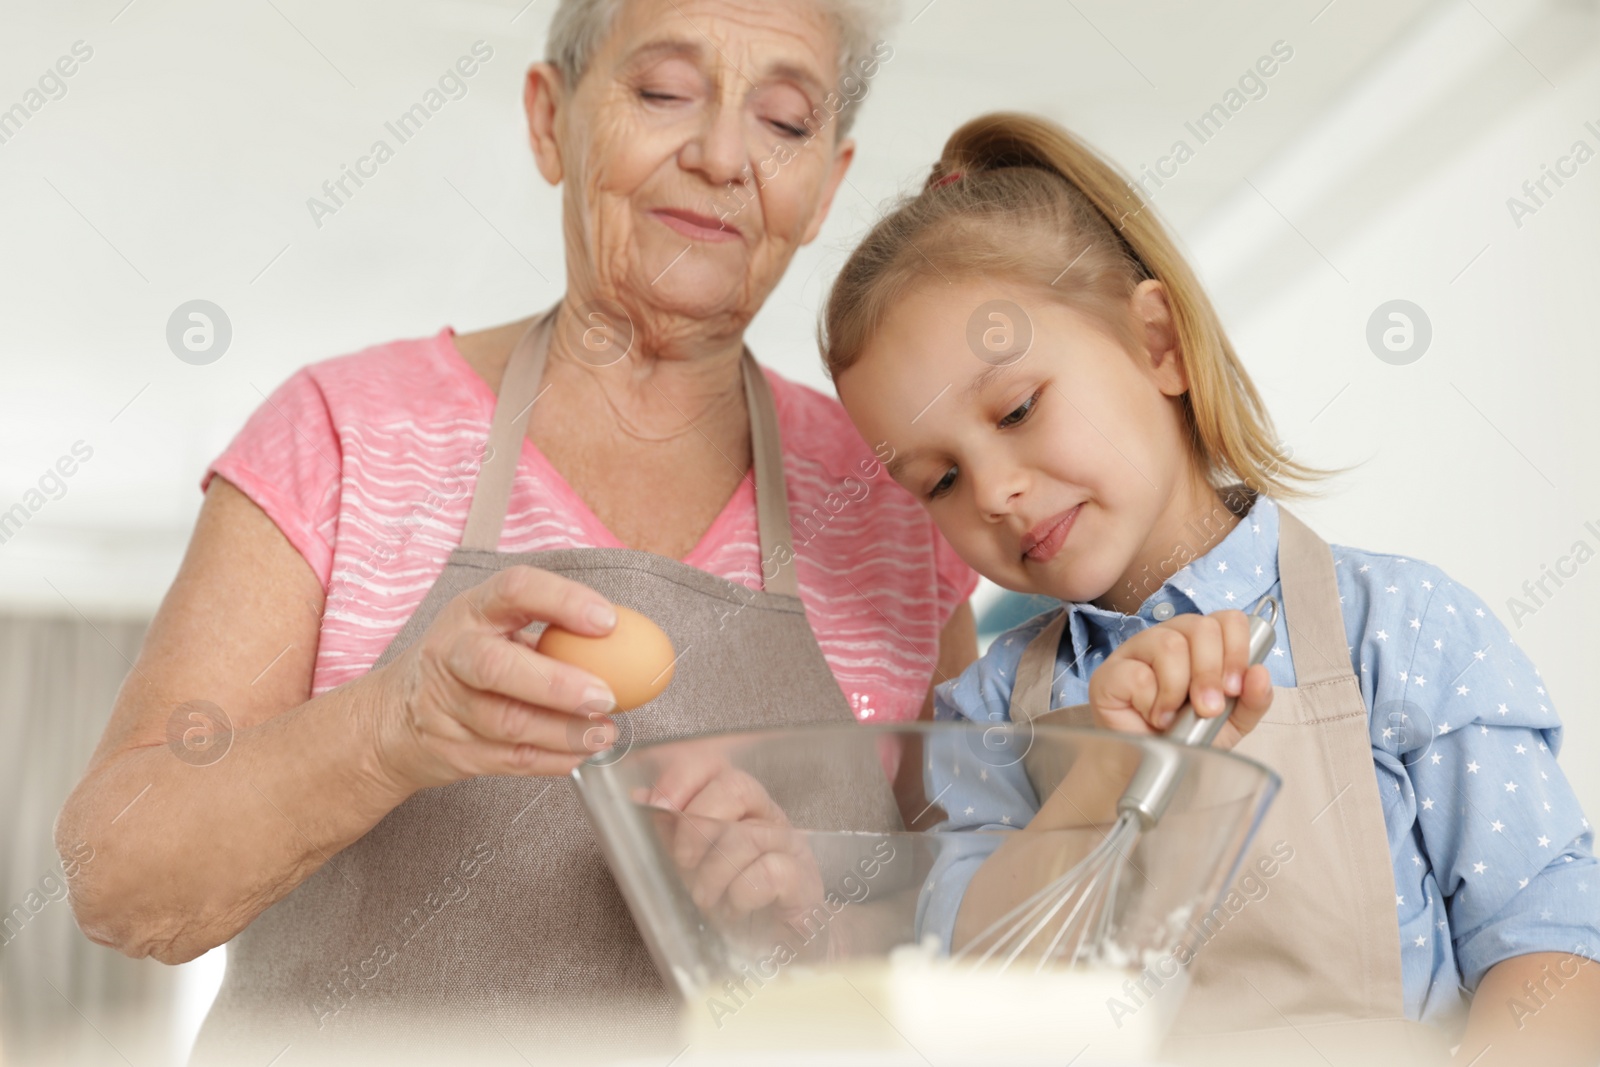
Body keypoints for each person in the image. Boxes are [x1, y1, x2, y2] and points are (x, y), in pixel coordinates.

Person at [53, 1, 976, 1060]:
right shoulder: (344, 436)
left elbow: (972, 953)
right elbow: (118, 878)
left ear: (827, 186)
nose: (723, 155)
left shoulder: (900, 515)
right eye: (665, 92)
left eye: (782, 119)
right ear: (550, 119)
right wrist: (389, 728)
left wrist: (807, 925)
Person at [821, 110, 1600, 1065]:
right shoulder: (980, 720)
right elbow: (973, 982)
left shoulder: (1401, 629)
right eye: (938, 480)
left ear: (1159, 345)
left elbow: (1552, 940)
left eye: (1019, 408)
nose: (995, 491)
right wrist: (1095, 782)